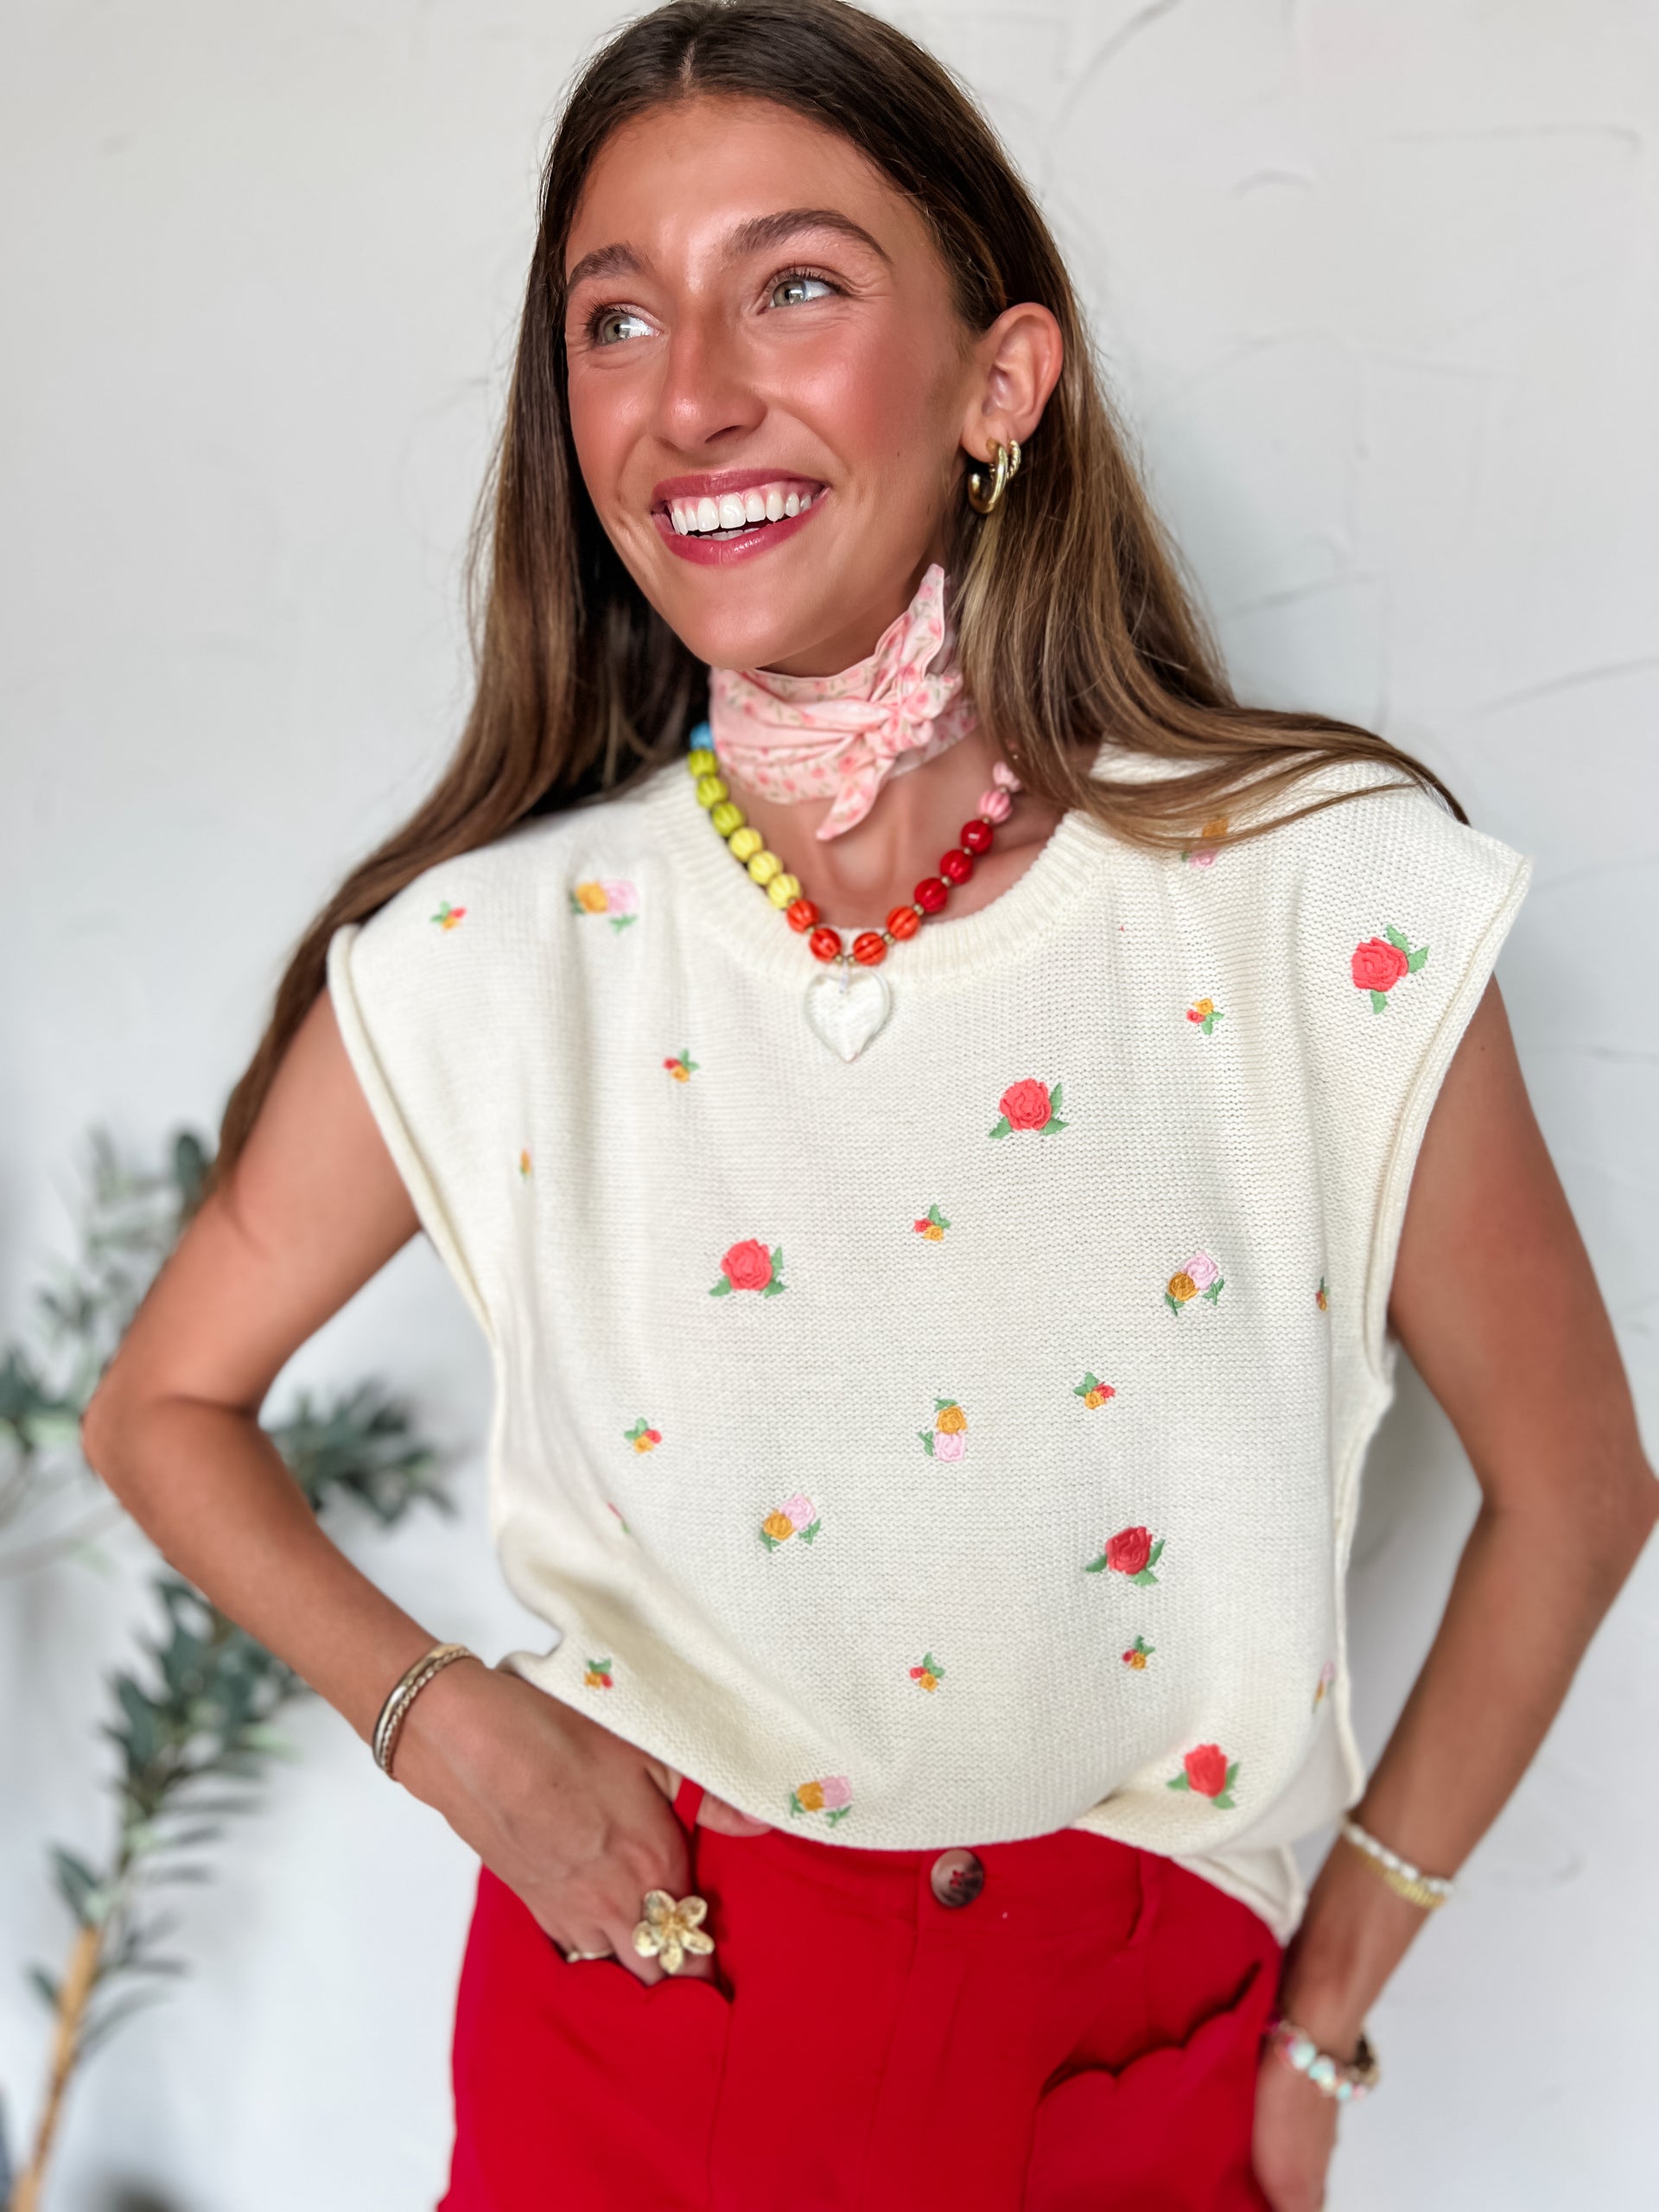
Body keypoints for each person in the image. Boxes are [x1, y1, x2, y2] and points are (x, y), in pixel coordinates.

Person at [80, 3, 1656, 2208]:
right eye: (615, 316)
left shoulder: (1322, 902)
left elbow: (1578, 1486)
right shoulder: (489, 961)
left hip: (1137, 2064)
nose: (693, 388)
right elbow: (160, 1404)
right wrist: (445, 1722)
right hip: (634, 2025)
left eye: (794, 284)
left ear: (1004, 379)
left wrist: (1327, 2008)